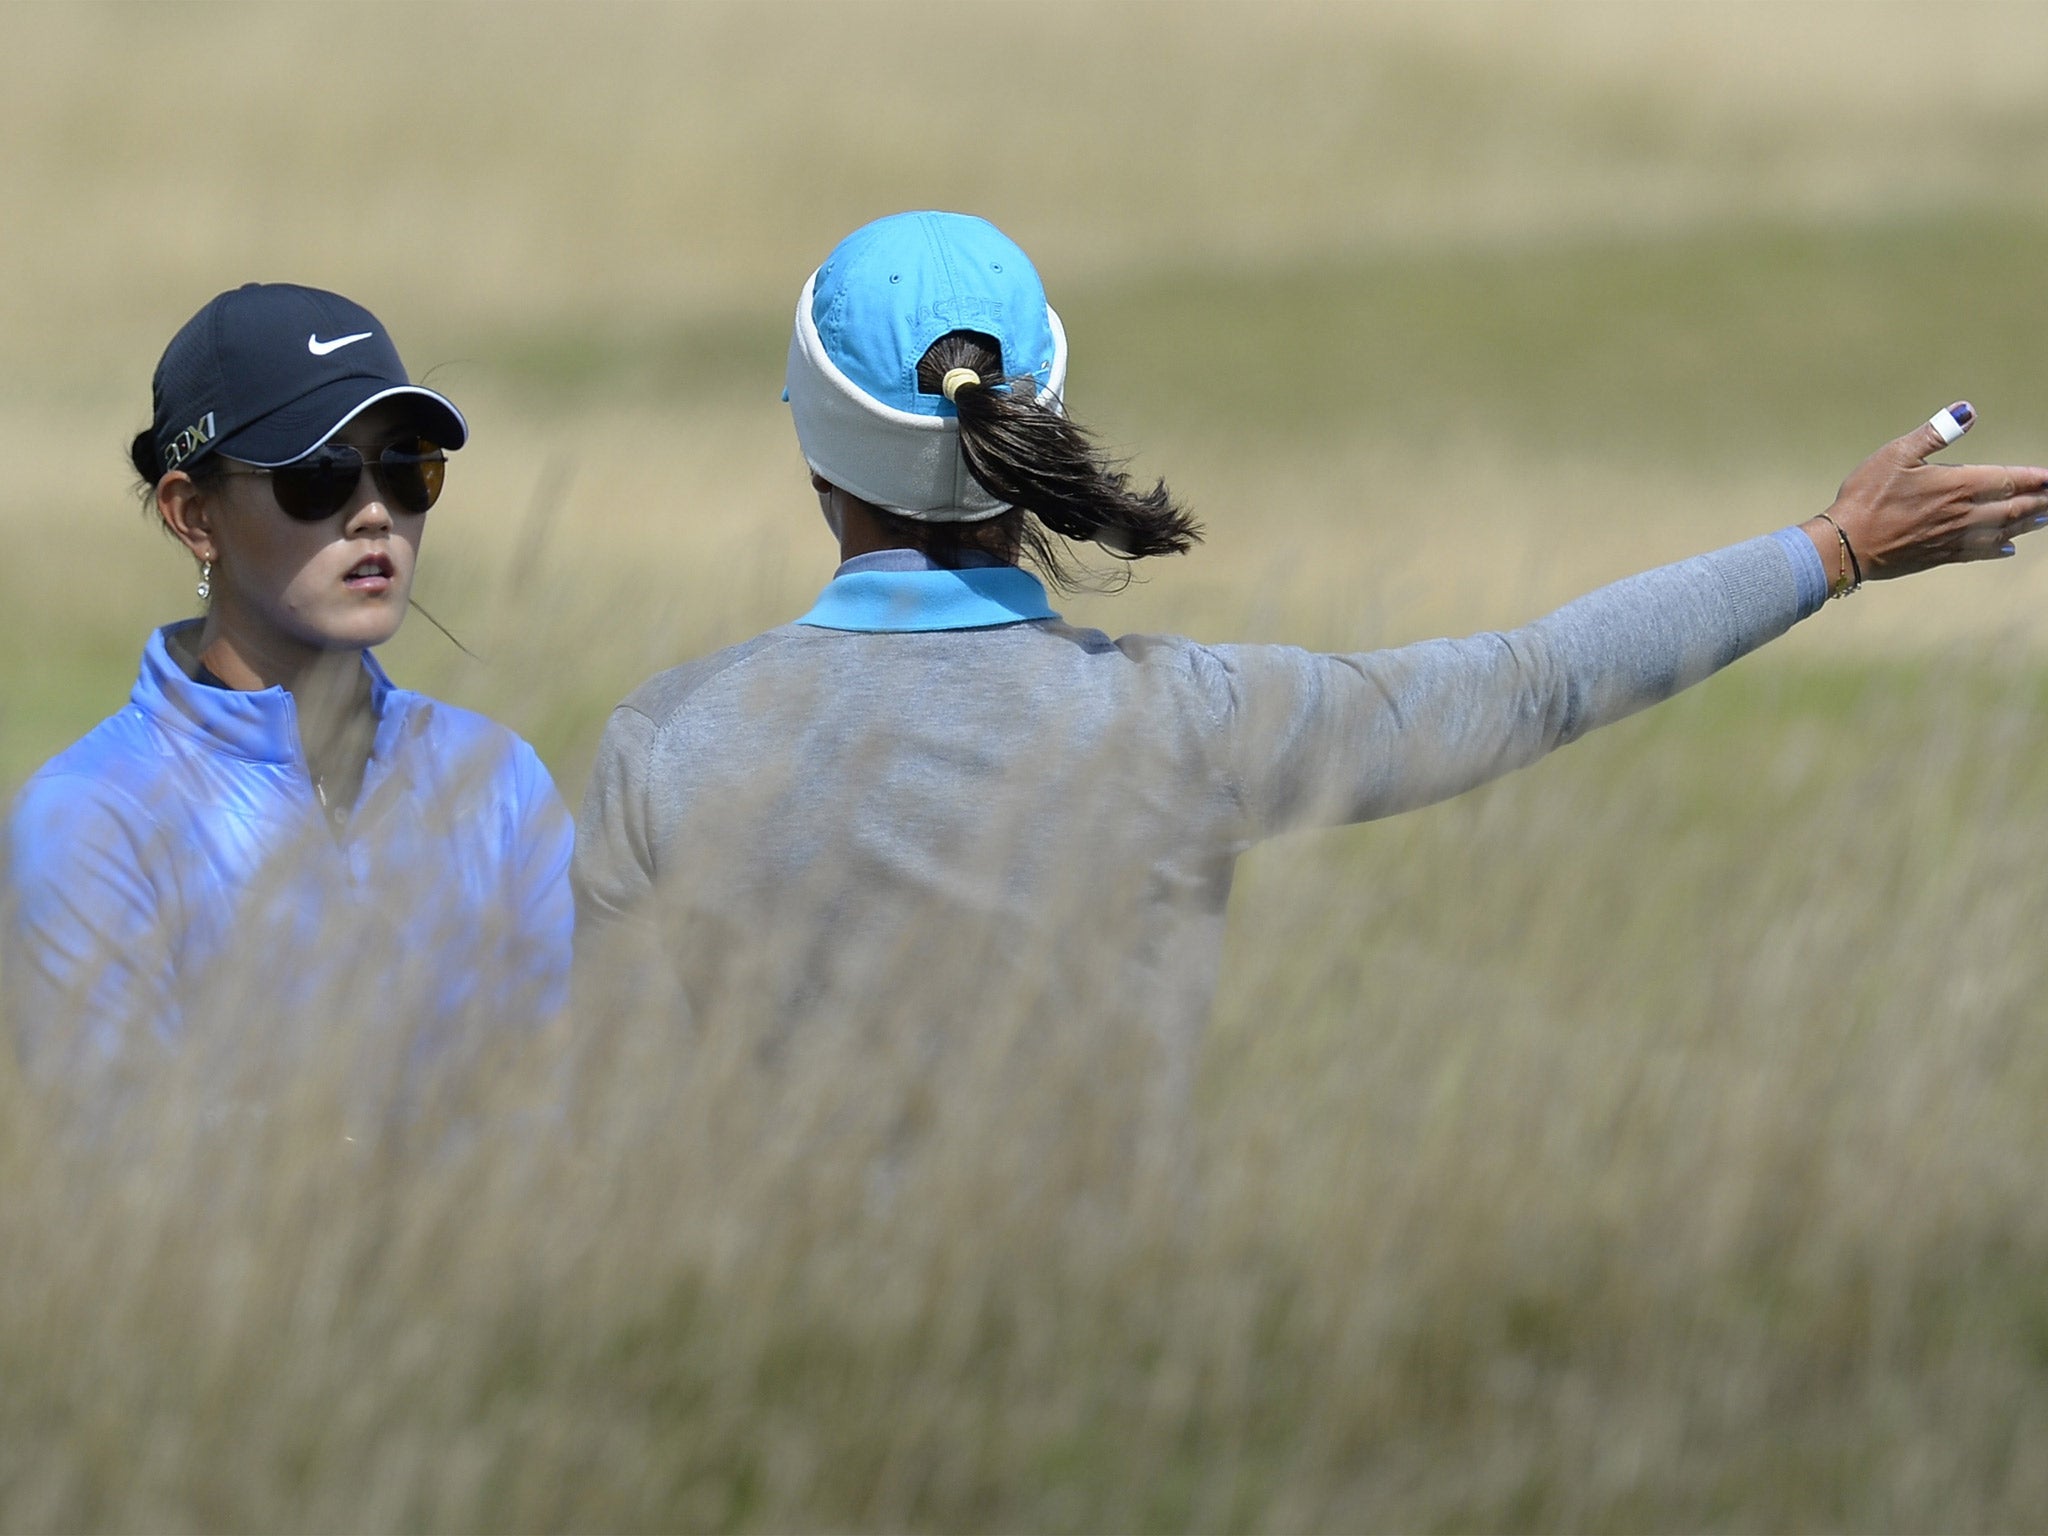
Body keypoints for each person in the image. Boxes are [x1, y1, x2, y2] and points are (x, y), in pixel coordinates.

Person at [572, 211, 2048, 1073]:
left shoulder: (667, 745)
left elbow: (601, 1121)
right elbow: (1537, 681)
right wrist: (1836, 549)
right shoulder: (1179, 722)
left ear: (812, 448)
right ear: (1037, 424)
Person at [5, 284, 574, 1080]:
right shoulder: (92, 819)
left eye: (408, 467)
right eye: (318, 473)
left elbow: (569, 1116)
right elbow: (123, 1172)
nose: (375, 512)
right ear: (195, 516)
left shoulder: (499, 782)